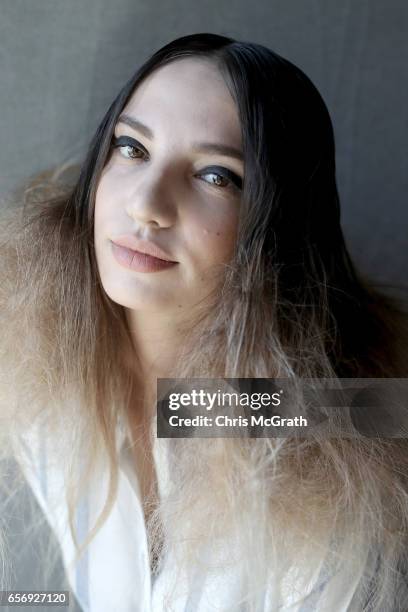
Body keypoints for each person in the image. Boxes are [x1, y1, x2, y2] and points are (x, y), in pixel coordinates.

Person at [1, 32, 408, 612]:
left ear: (276, 228)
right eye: (132, 148)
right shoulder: (42, 371)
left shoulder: (335, 443)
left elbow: (373, 410)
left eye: (216, 176)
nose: (147, 204)